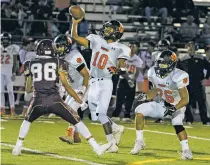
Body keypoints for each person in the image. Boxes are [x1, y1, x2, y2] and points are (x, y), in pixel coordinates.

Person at [12, 39, 112, 156]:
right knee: (76, 120)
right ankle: (96, 147)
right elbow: (66, 85)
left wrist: (31, 91)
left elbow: (28, 88)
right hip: (55, 101)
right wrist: (80, 100)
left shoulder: (29, 63)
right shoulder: (59, 62)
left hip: (37, 101)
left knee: (27, 121)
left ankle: (17, 147)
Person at [71, 18, 131, 152]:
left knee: (101, 113)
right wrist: (75, 22)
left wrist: (118, 70)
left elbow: (122, 67)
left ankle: (112, 144)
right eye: (106, 27)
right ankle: (116, 128)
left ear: (116, 32)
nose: (106, 30)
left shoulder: (122, 48)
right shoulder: (95, 39)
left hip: (105, 82)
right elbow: (75, 37)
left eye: (109, 28)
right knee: (96, 116)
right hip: (92, 81)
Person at [130, 50, 193, 159]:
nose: (161, 66)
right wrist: (145, 96)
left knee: (177, 122)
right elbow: (156, 91)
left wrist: (174, 108)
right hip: (162, 104)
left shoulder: (179, 75)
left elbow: (185, 99)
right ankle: (139, 141)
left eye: (164, 64)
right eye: (160, 63)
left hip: (177, 105)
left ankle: (186, 150)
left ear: (171, 64)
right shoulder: (152, 72)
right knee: (139, 110)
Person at [53, 34, 90, 144]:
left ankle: (69, 135)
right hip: (73, 87)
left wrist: (83, 89)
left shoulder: (74, 56)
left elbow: (86, 75)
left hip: (83, 86)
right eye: (56, 46)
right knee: (67, 110)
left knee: (71, 110)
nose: (57, 49)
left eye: (59, 46)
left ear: (66, 45)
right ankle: (76, 136)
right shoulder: (62, 58)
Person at [177, 41, 210, 125]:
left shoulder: (201, 58)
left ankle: (205, 120)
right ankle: (189, 119)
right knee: (187, 102)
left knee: (201, 102)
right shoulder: (182, 59)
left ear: (196, 48)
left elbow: (209, 67)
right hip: (186, 83)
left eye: (193, 46)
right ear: (186, 47)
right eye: (189, 46)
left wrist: (206, 78)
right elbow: (177, 71)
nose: (191, 48)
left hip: (198, 83)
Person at [112, 42, 143, 122]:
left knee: (130, 99)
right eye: (130, 46)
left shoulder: (138, 59)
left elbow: (138, 71)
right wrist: (128, 78)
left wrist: (133, 79)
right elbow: (118, 69)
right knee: (119, 99)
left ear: (136, 48)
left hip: (132, 81)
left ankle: (127, 115)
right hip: (123, 79)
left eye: (133, 46)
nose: (131, 48)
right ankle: (116, 115)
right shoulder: (123, 56)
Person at [0, 32, 19, 116]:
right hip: (0, 71)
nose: (5, 41)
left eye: (6, 39)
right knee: (1, 91)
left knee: (10, 91)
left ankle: (12, 109)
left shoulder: (13, 48)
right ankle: (2, 109)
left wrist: (14, 72)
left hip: (9, 71)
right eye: (4, 39)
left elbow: (15, 62)